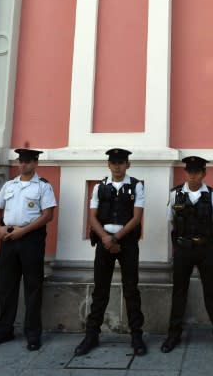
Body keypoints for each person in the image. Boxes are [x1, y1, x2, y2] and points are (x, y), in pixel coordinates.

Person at [0, 149, 57, 351]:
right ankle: (3, 331)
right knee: (6, 287)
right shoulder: (9, 185)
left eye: (27, 161)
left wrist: (23, 231)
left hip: (31, 239)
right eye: (20, 161)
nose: (22, 164)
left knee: (33, 287)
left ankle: (33, 333)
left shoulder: (43, 186)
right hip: (8, 238)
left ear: (35, 163)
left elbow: (47, 215)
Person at [74, 148, 147, 357]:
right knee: (100, 291)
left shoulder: (136, 186)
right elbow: (93, 217)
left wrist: (116, 238)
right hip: (104, 244)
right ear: (108, 165)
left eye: (121, 162)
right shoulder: (99, 187)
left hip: (127, 244)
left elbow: (136, 218)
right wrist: (106, 238)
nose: (117, 166)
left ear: (128, 165)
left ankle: (136, 336)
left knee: (131, 290)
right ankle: (91, 335)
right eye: (114, 162)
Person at [161, 156, 213, 354]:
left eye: (197, 172)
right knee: (179, 293)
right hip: (183, 250)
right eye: (190, 171)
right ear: (186, 172)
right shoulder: (175, 195)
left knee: (212, 293)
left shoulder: (212, 195)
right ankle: (173, 336)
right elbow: (172, 220)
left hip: (206, 250)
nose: (193, 176)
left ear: (204, 173)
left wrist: (200, 239)